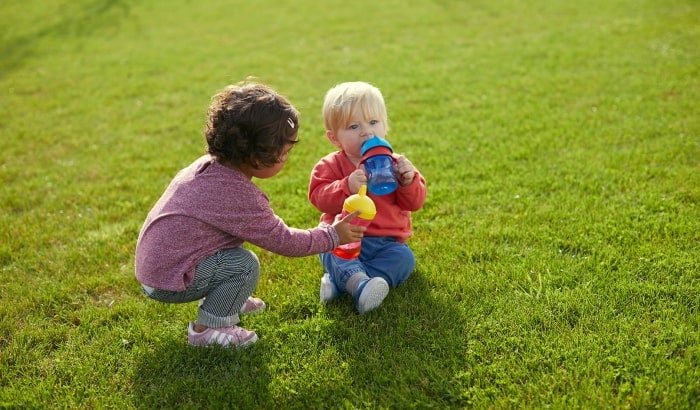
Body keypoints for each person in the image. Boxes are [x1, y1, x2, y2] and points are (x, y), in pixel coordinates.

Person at [135, 81, 365, 348]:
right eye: (286, 152)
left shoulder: (208, 166)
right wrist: (332, 235)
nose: (288, 158)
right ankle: (208, 329)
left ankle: (228, 296)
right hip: (168, 279)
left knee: (231, 254)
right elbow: (286, 241)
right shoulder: (236, 195)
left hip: (160, 267)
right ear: (258, 157)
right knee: (244, 265)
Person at [308, 81, 427, 314]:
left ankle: (341, 282)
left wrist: (408, 181)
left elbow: (415, 203)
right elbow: (318, 197)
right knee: (331, 246)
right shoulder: (330, 165)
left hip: (386, 242)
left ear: (385, 126)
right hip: (344, 235)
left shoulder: (395, 164)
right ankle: (359, 284)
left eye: (373, 122)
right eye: (353, 126)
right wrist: (346, 186)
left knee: (404, 260)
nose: (366, 131)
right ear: (334, 138)